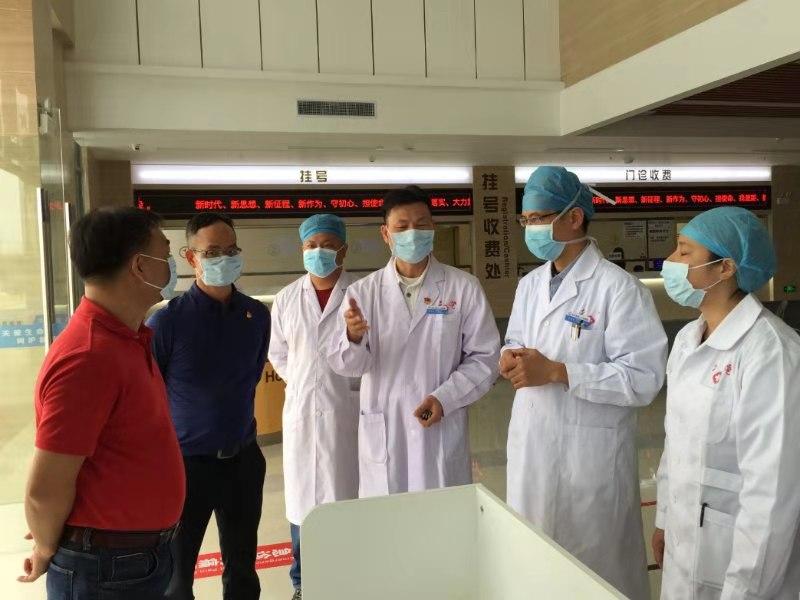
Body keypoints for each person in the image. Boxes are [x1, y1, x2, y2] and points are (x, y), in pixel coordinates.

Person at [502, 166, 667, 600]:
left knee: (597, 574)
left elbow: (644, 378)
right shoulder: (530, 285)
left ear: (574, 218)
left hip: (590, 460)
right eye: (526, 220)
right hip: (532, 449)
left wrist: (561, 372)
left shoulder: (619, 289)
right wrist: (510, 357)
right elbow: (516, 338)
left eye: (539, 218)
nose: (531, 229)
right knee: (536, 566)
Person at [19, 207, 185, 599]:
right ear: (140, 266)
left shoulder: (128, 338)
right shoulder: (89, 356)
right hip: (105, 571)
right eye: (166, 254)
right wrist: (45, 546)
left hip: (134, 559)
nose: (172, 266)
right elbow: (44, 489)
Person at [653, 207, 800, 599]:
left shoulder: (770, 351)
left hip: (741, 563)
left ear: (725, 267)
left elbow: (772, 491)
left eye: (685, 251)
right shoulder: (687, 339)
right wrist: (665, 518)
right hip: (685, 542)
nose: (670, 261)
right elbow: (674, 442)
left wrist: (745, 590)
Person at [328, 185, 500, 498]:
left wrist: (445, 398)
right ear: (385, 234)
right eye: (402, 226)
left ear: (433, 227)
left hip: (440, 426)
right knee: (389, 520)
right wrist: (353, 337)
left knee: (440, 516)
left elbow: (485, 358)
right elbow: (349, 367)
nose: (412, 234)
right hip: (385, 427)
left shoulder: (463, 287)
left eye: (421, 225)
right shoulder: (362, 293)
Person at [147, 213, 269, 600]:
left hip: (243, 462)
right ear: (190, 257)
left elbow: (251, 375)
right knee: (177, 575)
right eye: (213, 252)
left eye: (231, 250)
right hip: (185, 467)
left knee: (242, 570)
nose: (224, 259)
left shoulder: (255, 315)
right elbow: (150, 394)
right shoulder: (167, 322)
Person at [268, 214, 359, 600]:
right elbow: (278, 352)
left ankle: (349, 579)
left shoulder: (362, 293)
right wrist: (305, 380)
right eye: (310, 246)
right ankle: (302, 583)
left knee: (348, 498)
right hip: (303, 412)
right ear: (301, 249)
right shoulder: (287, 298)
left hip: (348, 411)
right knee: (303, 501)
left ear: (343, 250)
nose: (318, 252)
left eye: (327, 245)